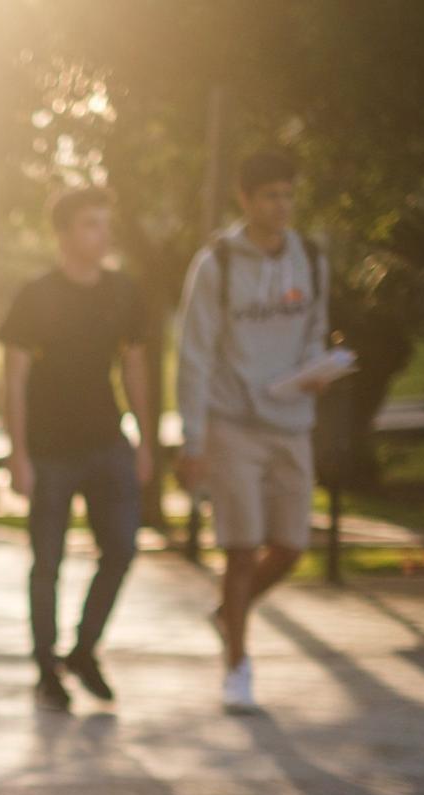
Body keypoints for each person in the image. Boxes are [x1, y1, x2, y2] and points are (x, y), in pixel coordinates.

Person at [176, 148, 332, 715]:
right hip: (233, 422)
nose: (281, 205)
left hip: (293, 422)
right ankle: (237, 668)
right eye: (270, 195)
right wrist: (192, 442)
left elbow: (315, 329)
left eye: (288, 194)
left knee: (291, 546)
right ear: (245, 199)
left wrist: (317, 367)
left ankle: (228, 613)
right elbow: (193, 357)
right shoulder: (216, 264)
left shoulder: (310, 257)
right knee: (241, 552)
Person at [0, 185, 158, 712]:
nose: (103, 232)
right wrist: (17, 453)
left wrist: (144, 442)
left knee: (122, 549)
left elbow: (134, 367)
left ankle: (84, 650)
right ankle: (47, 669)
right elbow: (13, 379)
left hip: (108, 442)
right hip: (48, 450)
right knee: (47, 563)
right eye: (90, 223)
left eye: (104, 222)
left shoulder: (121, 292)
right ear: (64, 233)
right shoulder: (37, 295)